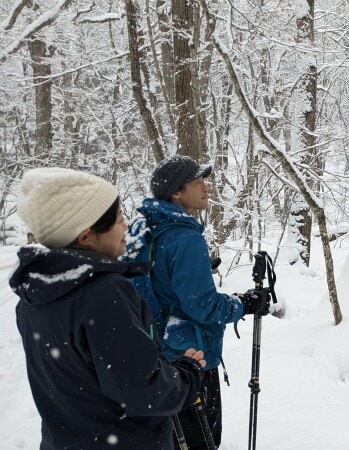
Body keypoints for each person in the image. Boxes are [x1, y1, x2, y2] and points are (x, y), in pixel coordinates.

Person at [10, 168, 207, 449]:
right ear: (86, 236)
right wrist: (187, 375)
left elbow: (91, 378)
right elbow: (143, 393)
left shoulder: (34, 294)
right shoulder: (103, 292)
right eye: (117, 220)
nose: (125, 227)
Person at [128, 155, 270, 449]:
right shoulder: (184, 238)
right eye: (198, 182)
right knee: (202, 440)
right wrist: (244, 304)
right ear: (176, 193)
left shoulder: (148, 226)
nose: (207, 187)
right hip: (190, 357)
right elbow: (202, 305)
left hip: (153, 349)